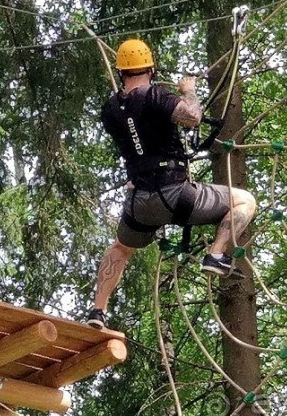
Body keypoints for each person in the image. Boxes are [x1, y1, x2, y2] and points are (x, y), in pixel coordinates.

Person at [86, 39, 257, 329]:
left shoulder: (110, 110)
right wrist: (189, 90)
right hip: (176, 194)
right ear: (151, 69)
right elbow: (192, 117)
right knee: (245, 201)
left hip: (140, 202)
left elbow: (135, 141)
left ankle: (97, 311)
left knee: (120, 248)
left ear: (121, 72)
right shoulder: (154, 96)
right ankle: (216, 254)